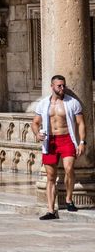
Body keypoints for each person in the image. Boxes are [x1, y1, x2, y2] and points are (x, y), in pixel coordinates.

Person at [33, 74, 86, 220]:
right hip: (50, 141)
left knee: (69, 168)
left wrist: (82, 142)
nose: (62, 88)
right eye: (59, 86)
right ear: (52, 86)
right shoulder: (43, 104)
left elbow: (81, 123)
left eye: (64, 85)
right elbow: (35, 122)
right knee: (50, 177)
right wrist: (37, 134)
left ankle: (69, 200)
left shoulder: (72, 102)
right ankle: (51, 210)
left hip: (67, 139)